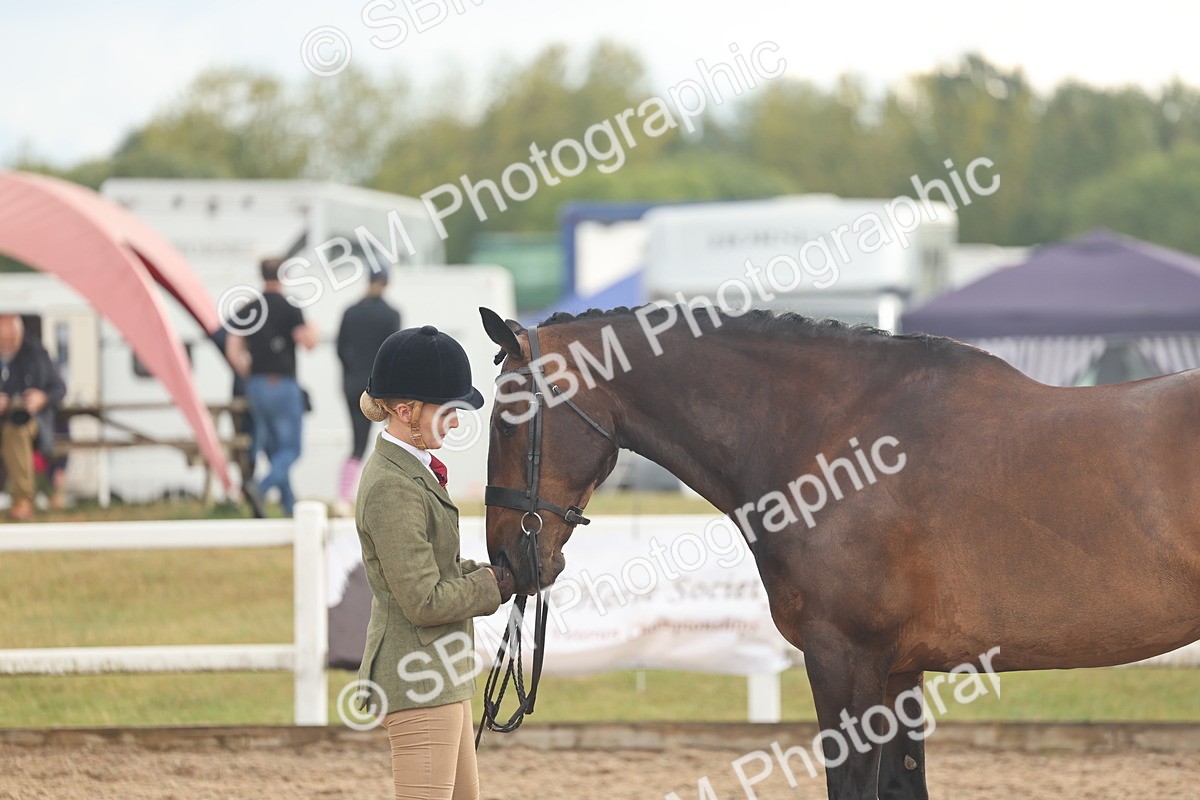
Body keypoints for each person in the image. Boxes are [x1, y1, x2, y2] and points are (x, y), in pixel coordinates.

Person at [354, 324, 514, 800]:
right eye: (448, 412)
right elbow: (424, 600)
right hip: (417, 676)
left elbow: (438, 569)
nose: (457, 424)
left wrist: (501, 573)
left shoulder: (411, 471)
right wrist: (497, 587)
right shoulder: (391, 486)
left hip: (440, 674)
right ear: (406, 411)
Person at [225, 258, 318, 517]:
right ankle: (260, 487)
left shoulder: (249, 308)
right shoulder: (289, 308)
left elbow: (233, 349)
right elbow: (308, 343)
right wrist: (314, 330)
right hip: (283, 384)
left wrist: (250, 371)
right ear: (283, 275)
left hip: (256, 385)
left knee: (274, 449)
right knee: (291, 449)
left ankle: (290, 507)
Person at [335, 264, 401, 507]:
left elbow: (340, 350)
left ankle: (344, 496)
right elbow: (391, 352)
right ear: (386, 282)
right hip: (380, 387)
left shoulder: (350, 311)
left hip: (353, 385)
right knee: (394, 440)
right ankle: (388, 492)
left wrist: (353, 372)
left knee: (357, 442)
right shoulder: (390, 314)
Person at [0, 315, 66, 521]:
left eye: (12, 340)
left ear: (20, 335)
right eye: (2, 341)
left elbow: (60, 388)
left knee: (16, 431)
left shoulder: (36, 353)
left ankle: (23, 499)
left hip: (30, 421)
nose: (7, 345)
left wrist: (42, 398)